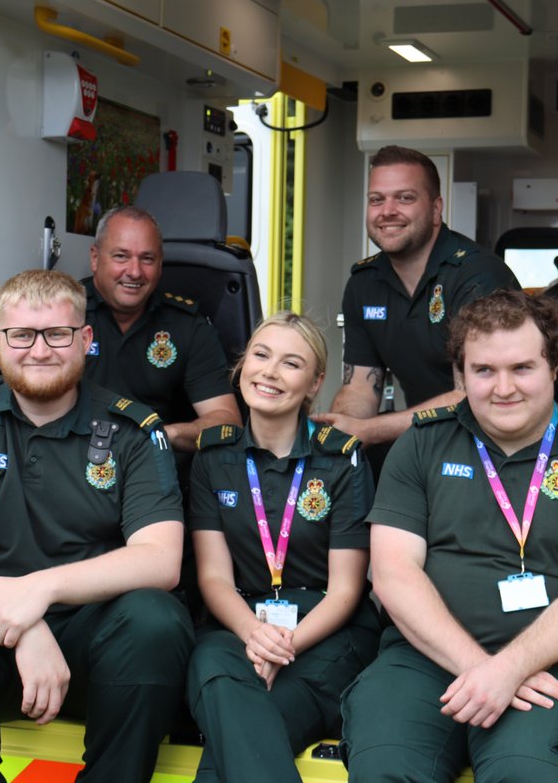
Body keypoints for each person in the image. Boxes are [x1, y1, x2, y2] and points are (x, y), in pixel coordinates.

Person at [0, 270, 194, 783]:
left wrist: (40, 590)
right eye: (21, 335)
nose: (39, 350)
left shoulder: (133, 431)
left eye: (57, 334)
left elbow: (160, 559)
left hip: (97, 646)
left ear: (85, 340)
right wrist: (23, 623)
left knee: (155, 620)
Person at [341, 289, 558, 783]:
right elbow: (392, 574)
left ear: (553, 367)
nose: (503, 388)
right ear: (461, 375)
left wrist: (510, 668)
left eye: (521, 368)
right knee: (385, 768)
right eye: (484, 371)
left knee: (527, 776)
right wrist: (483, 670)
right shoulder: (422, 444)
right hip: (421, 660)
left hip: (545, 667)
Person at [186, 312, 380, 783]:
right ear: (241, 365)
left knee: (238, 738)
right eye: (261, 355)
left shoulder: (343, 458)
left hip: (326, 633)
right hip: (241, 625)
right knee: (210, 659)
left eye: (291, 364)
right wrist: (255, 635)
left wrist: (281, 648)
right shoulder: (213, 458)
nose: (270, 372)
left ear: (314, 384)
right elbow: (214, 577)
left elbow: (346, 590)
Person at [311, 145, 519, 448]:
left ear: (436, 209)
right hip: (429, 441)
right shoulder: (364, 283)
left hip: (500, 444)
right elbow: (359, 388)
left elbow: (473, 395)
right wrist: (342, 429)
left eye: (405, 198)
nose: (388, 211)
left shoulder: (477, 276)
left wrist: (371, 431)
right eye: (376, 200)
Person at [84, 206, 241, 453]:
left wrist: (165, 434)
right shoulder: (63, 315)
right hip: (76, 464)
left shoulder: (186, 324)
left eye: (147, 258)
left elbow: (227, 421)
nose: (134, 272)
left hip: (157, 467)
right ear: (95, 258)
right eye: (121, 256)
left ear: (160, 264)